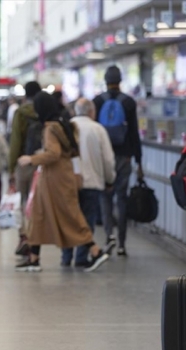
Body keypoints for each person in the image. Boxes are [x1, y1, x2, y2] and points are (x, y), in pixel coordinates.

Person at [15, 92, 112, 273]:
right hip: (63, 176)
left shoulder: (50, 128)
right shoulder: (65, 125)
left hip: (54, 179)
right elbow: (72, 152)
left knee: (69, 217)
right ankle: (34, 258)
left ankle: (96, 251)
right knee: (40, 215)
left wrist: (32, 158)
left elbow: (53, 153)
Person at [93, 66, 144, 257]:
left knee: (105, 197)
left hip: (103, 156)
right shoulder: (129, 102)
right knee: (121, 198)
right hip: (124, 156)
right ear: (120, 80)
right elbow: (134, 133)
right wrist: (138, 161)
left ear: (105, 81)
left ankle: (108, 237)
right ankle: (122, 243)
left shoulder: (97, 101)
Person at [61, 98, 116, 268]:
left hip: (69, 183)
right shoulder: (97, 129)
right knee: (87, 220)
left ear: (75, 111)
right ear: (92, 112)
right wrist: (110, 179)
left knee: (69, 220)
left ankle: (66, 257)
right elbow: (108, 159)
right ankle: (81, 258)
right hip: (92, 183)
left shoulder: (66, 127)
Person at [8, 81, 42, 257]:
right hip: (41, 163)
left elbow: (15, 142)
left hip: (23, 163)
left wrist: (11, 168)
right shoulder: (44, 110)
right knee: (36, 204)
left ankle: (24, 237)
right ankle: (35, 240)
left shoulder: (20, 113)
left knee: (21, 203)